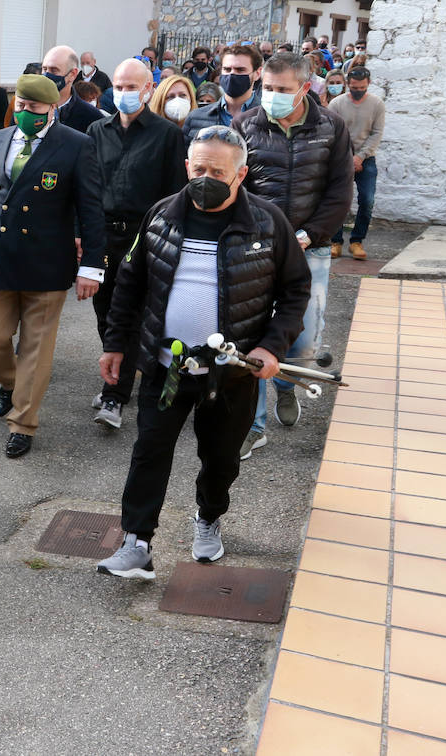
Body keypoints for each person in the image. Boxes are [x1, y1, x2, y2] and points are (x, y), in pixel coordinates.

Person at [94, 125, 311, 579]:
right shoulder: (159, 215)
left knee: (221, 457)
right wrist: (116, 343)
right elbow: (129, 284)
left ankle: (209, 516)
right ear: (186, 166)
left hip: (231, 374)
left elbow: (295, 291)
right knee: (149, 451)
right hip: (166, 366)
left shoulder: (268, 223)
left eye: (218, 170)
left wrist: (271, 347)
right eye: (199, 168)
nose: (206, 177)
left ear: (241, 174)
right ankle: (137, 542)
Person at [0, 74, 104, 458]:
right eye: (21, 106)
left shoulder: (76, 145)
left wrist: (92, 266)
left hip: (47, 263)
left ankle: (23, 421)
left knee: (36, 349)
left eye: (34, 108)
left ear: (52, 108)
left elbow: (91, 211)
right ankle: (13, 383)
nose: (25, 113)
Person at [234, 52, 353, 458]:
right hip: (256, 245)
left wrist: (306, 234)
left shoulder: (331, 127)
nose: (272, 97)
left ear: (305, 87)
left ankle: (285, 382)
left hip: (310, 247)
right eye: (267, 88)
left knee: (302, 339)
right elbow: (238, 187)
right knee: (251, 331)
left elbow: (340, 193)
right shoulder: (245, 124)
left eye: (282, 90)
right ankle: (253, 423)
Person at [86, 59, 188, 429]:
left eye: (132, 87)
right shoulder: (96, 130)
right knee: (104, 311)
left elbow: (176, 193)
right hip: (102, 235)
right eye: (118, 86)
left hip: (143, 236)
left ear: (148, 90)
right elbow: (87, 187)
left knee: (127, 315)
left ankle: (114, 396)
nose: (124, 93)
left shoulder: (166, 136)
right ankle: (116, 374)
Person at [328, 67, 384, 261]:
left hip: (366, 159)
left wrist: (360, 156)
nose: (357, 90)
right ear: (348, 84)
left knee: (367, 200)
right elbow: (331, 132)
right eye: (353, 87)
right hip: (341, 158)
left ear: (368, 84)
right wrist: (348, 156)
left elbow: (376, 133)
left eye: (361, 87)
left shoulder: (376, 104)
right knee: (339, 200)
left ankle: (356, 241)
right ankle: (335, 241)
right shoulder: (336, 104)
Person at [183, 44, 262, 141]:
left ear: (257, 74)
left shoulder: (267, 120)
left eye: (240, 70)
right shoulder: (195, 117)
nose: (232, 74)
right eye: (227, 69)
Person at [41, 45, 104, 135]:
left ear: (73, 74)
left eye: (54, 70)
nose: (47, 75)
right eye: (44, 69)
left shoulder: (91, 117)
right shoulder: (28, 106)